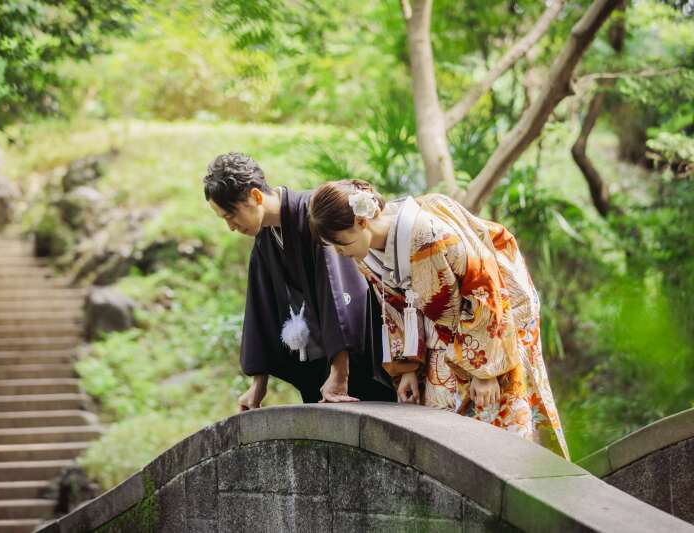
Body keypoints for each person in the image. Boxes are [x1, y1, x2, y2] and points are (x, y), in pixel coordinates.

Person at [308, 179, 569, 459]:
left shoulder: (429, 233)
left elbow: (483, 287)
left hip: (494, 322)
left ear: (362, 222)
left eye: (340, 243)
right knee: (440, 414)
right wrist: (407, 367)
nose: (339, 252)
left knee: (500, 415)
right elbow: (396, 308)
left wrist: (486, 371)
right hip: (445, 329)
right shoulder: (364, 252)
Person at [203, 154, 395, 410]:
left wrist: (340, 374)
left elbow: (338, 293)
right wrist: (258, 385)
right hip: (321, 365)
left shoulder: (314, 214)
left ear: (255, 197)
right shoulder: (266, 237)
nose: (231, 226)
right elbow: (261, 307)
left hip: (358, 359)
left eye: (230, 216)